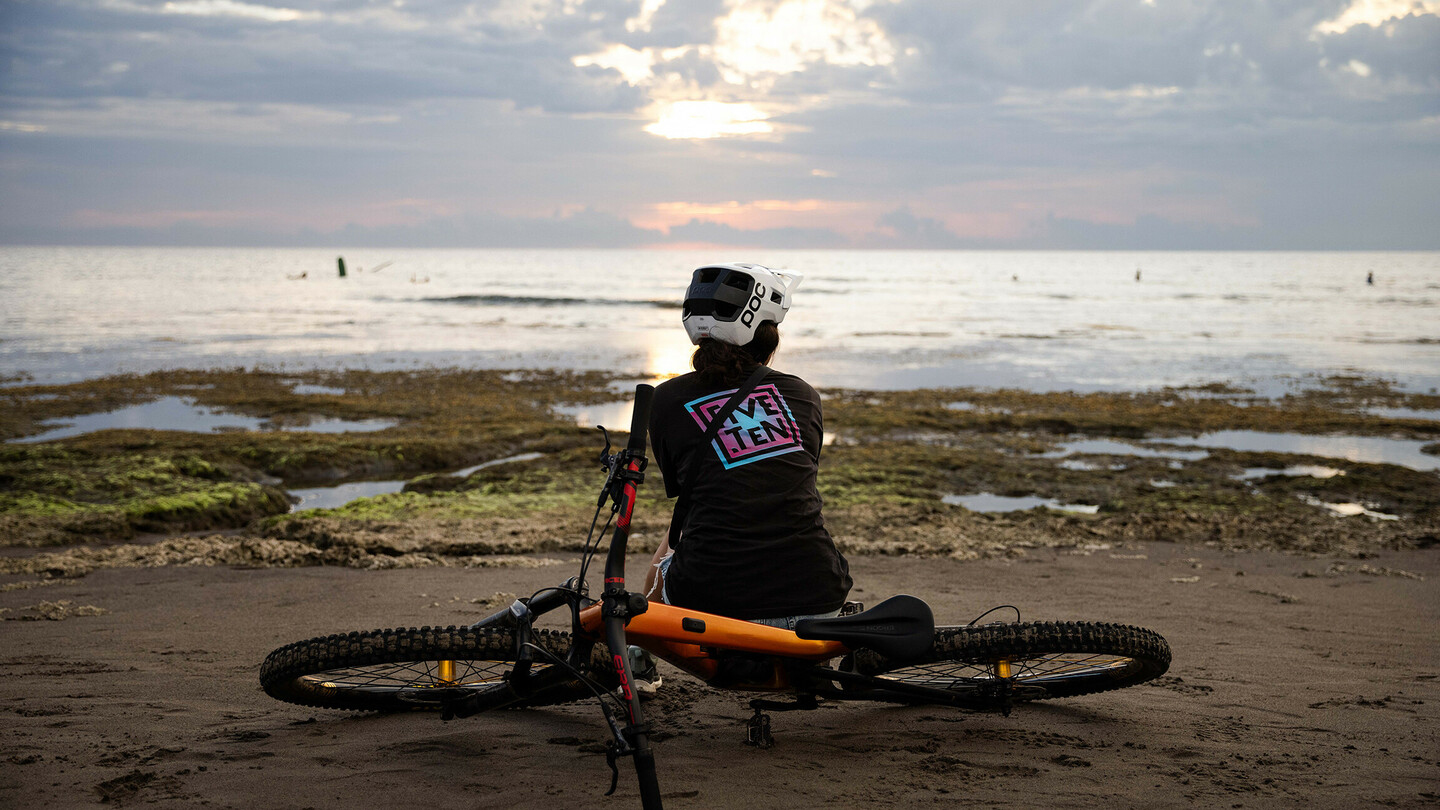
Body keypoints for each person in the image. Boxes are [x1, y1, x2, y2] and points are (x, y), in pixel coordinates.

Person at [633, 263, 853, 693]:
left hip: (711, 609)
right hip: (817, 599)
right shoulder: (802, 394)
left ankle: (639, 664)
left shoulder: (666, 400)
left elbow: (691, 496)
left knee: (685, 520)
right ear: (767, 337)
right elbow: (795, 474)